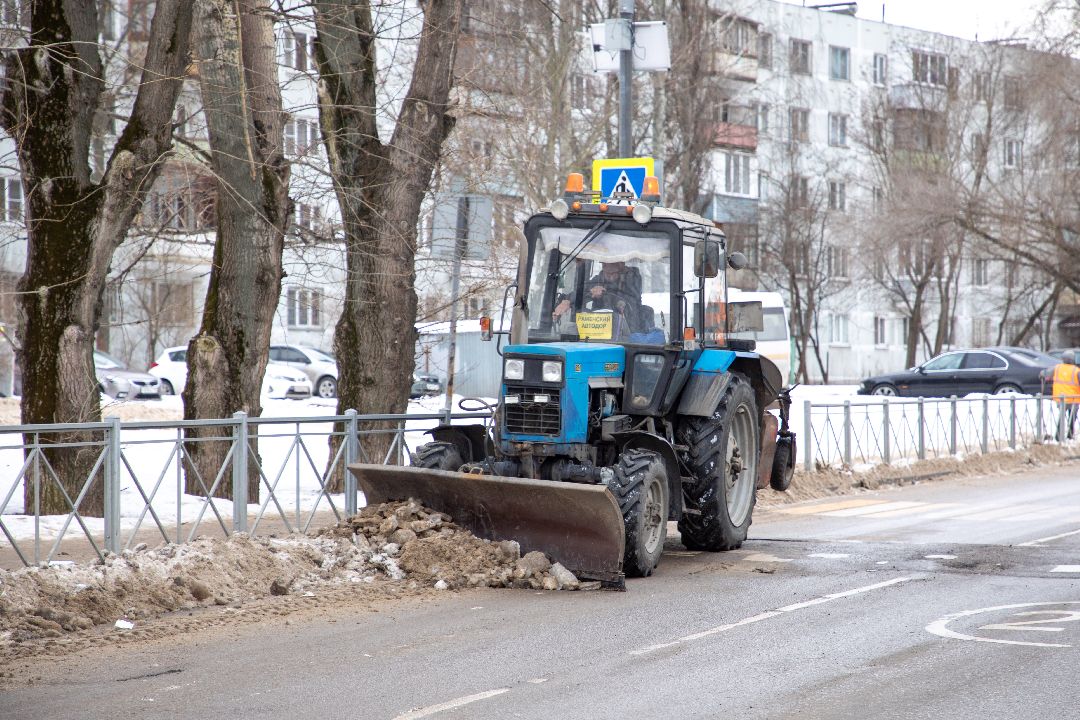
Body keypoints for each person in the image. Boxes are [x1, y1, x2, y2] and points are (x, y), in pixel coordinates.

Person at [586, 261, 644, 334]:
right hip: (599, 326)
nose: (611, 277)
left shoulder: (632, 280)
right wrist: (592, 291)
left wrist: (612, 298)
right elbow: (581, 292)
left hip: (627, 325)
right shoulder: (597, 280)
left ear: (621, 269)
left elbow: (633, 299)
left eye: (613, 273)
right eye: (608, 274)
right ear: (603, 267)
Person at [1044, 350, 1080, 440]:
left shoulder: (1057, 368)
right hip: (1073, 398)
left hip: (1060, 398)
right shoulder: (1076, 370)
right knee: (1072, 417)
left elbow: (1044, 374)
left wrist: (1043, 376)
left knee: (1061, 417)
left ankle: (1058, 436)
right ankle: (1070, 435)